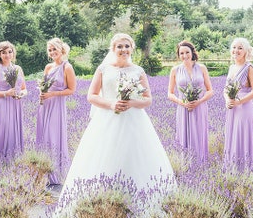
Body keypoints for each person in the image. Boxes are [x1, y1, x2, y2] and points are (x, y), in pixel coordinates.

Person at [59, 33, 173, 201]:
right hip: (107, 120)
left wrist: (132, 102)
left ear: (132, 48)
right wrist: (112, 104)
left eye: (127, 46)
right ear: (113, 49)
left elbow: (148, 99)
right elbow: (91, 96)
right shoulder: (103, 69)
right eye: (119, 46)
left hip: (134, 121)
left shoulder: (138, 71)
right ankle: (104, 201)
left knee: (134, 158)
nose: (123, 49)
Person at [36, 38, 77, 184]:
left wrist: (53, 94)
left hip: (57, 106)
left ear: (62, 50)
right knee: (43, 137)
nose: (52, 52)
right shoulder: (48, 67)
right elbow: (44, 85)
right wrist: (42, 93)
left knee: (53, 136)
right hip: (44, 105)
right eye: (50, 50)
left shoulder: (67, 67)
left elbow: (71, 90)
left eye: (55, 49)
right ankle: (43, 171)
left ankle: (56, 173)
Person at [167, 40, 214, 160]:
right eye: (181, 53)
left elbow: (210, 90)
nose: (185, 55)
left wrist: (199, 101)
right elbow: (170, 93)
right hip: (183, 109)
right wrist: (182, 103)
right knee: (184, 137)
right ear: (178, 55)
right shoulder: (175, 70)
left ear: (192, 53)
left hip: (199, 107)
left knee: (199, 136)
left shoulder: (202, 68)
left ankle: (201, 164)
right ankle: (185, 165)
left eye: (187, 52)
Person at [0, 41, 27, 161]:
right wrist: (6, 93)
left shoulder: (18, 68)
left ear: (13, 53)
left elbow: (24, 89)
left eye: (10, 52)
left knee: (14, 131)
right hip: (2, 104)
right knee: (4, 131)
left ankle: (15, 159)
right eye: (4, 53)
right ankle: (0, 160)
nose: (7, 55)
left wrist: (20, 95)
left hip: (16, 104)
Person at [223, 38, 253, 166]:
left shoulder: (249, 68)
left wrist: (239, 101)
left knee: (243, 138)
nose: (236, 50)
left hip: (244, 108)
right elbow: (225, 89)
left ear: (246, 51)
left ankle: (246, 169)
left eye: (240, 48)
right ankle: (233, 169)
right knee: (233, 137)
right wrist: (227, 99)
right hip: (232, 109)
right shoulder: (232, 67)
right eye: (234, 47)